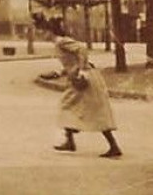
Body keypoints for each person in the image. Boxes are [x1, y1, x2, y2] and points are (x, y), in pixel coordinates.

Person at [34, 13, 122, 158]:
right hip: (79, 78)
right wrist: (57, 73)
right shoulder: (59, 44)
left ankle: (111, 145)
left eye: (42, 31)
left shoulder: (61, 42)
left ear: (49, 31)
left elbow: (82, 49)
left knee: (80, 108)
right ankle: (71, 139)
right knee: (72, 106)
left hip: (85, 78)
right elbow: (71, 63)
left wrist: (81, 70)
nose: (41, 34)